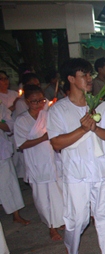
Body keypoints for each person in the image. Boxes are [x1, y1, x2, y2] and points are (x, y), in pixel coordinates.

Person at [47, 58, 105, 254]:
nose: (89, 79)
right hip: (76, 172)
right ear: (71, 79)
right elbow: (56, 143)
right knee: (78, 219)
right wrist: (82, 129)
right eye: (84, 75)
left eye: (90, 74)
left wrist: (94, 128)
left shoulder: (101, 105)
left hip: (100, 169)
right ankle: (71, 250)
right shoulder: (58, 110)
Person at [14, 85, 65, 241]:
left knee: (58, 194)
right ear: (27, 102)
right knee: (43, 199)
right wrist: (42, 138)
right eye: (34, 102)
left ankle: (60, 220)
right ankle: (51, 226)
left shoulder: (48, 115)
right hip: (36, 163)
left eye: (41, 101)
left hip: (52, 160)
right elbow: (21, 144)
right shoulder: (22, 120)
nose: (38, 104)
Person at [0, 101, 29, 226]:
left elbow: (10, 126)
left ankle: (16, 215)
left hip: (1, 152)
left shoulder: (1, 107)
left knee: (8, 182)